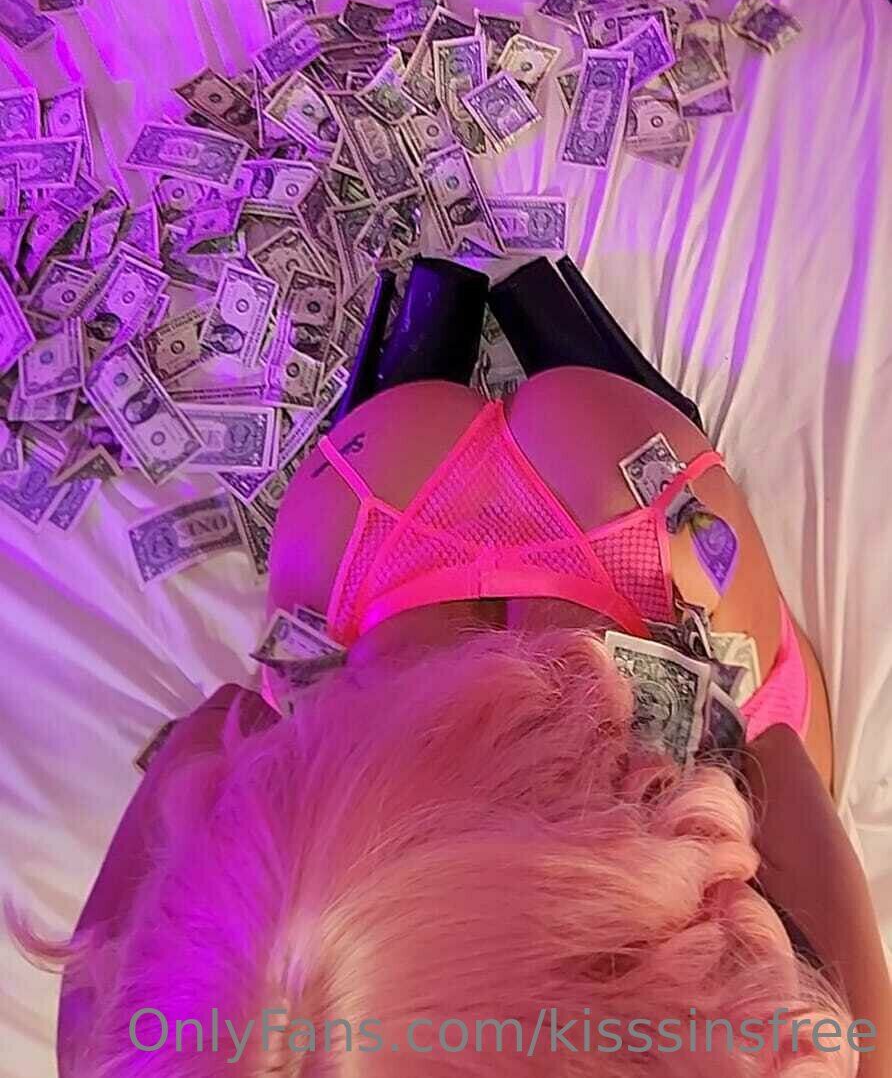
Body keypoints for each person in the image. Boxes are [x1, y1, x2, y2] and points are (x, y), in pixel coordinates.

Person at [17, 258, 891, 1077]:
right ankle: (454, 343)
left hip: (615, 519)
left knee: (763, 704)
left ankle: (528, 345)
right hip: (369, 511)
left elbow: (778, 760)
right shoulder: (130, 1049)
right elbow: (221, 726)